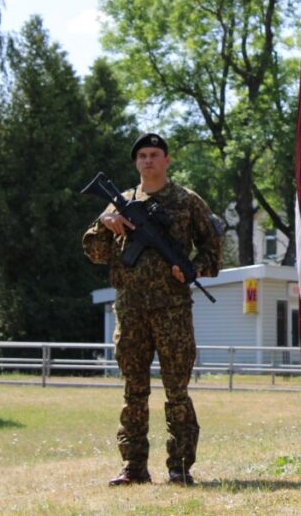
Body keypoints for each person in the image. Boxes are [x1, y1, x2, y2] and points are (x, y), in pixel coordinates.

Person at [82, 133, 223, 487]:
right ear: (136, 163)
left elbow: (212, 245)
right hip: (130, 311)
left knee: (177, 391)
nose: (148, 160)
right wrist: (104, 224)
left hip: (173, 310)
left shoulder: (187, 201)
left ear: (167, 160)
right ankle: (133, 467)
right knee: (134, 391)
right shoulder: (119, 204)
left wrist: (194, 269)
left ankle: (180, 467)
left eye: (155, 154)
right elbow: (96, 253)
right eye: (142, 155)